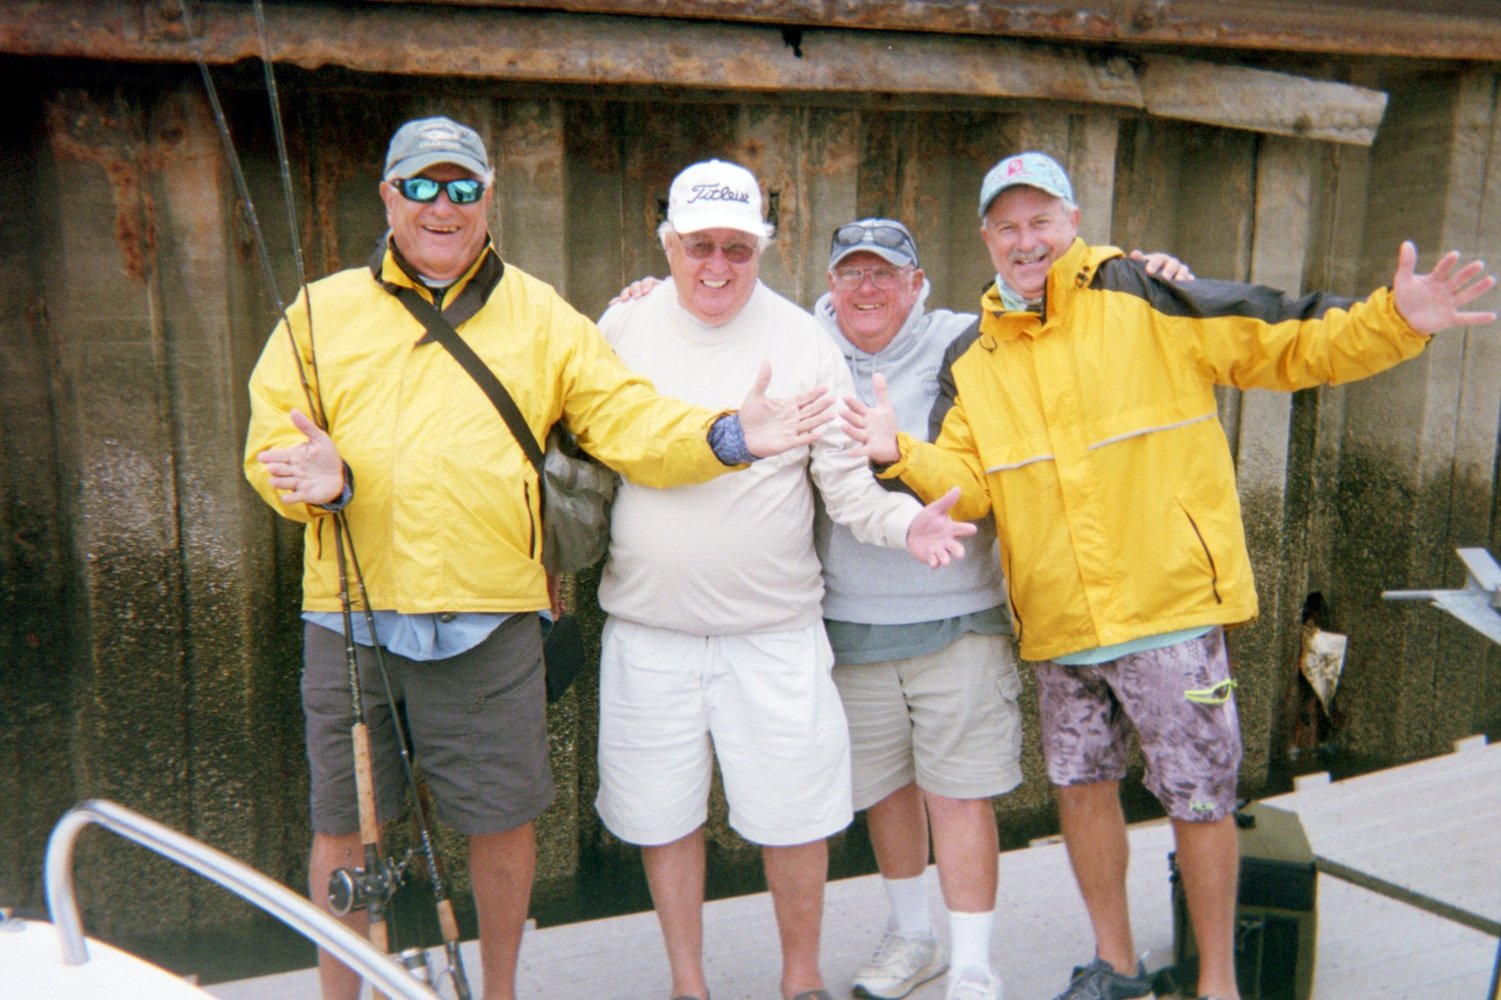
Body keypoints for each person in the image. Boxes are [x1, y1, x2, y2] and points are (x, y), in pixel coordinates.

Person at [842, 151, 1496, 1000]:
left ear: (1072, 221)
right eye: (1007, 226)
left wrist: (1397, 320)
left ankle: (1216, 982)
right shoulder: (973, 352)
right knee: (1081, 792)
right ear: (985, 240)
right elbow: (967, 478)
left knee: (1199, 801)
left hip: (1171, 611)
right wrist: (898, 454)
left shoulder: (1144, 292)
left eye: (1041, 220)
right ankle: (1112, 964)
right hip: (1060, 624)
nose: (1025, 239)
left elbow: (1287, 341)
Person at [242, 116, 837, 1000]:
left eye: (460, 187)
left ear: (487, 196)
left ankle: (502, 992)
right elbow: (268, 455)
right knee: (345, 823)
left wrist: (726, 434)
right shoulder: (318, 312)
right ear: (389, 197)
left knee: (501, 819)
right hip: (351, 611)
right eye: (421, 186)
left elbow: (631, 423)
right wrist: (316, 485)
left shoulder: (543, 314)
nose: (441, 207)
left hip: (492, 614)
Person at [592, 159, 976, 1000]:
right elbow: (581, 463)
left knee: (795, 819)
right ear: (667, 244)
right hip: (647, 632)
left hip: (773, 633)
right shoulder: (619, 330)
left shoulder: (804, 340)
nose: (717, 266)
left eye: (737, 247)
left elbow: (843, 488)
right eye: (699, 247)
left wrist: (902, 521)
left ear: (763, 247)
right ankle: (687, 984)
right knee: (663, 817)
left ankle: (799, 982)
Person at [812, 219, 1191, 1000]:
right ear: (828, 284)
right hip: (849, 617)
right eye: (851, 273)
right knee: (884, 792)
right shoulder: (801, 348)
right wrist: (646, 294)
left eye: (886, 273)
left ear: (917, 285)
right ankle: (911, 936)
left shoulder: (967, 338)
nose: (868, 288)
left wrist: (1151, 272)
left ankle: (974, 959)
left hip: (960, 615)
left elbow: (1062, 309)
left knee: (958, 791)